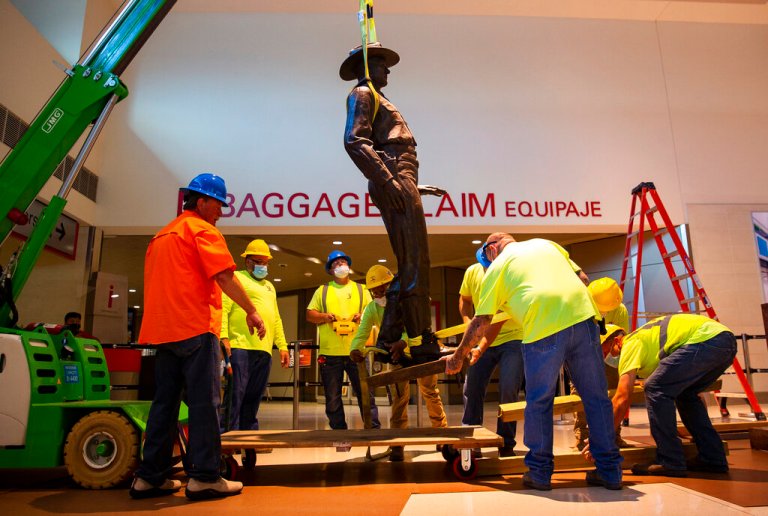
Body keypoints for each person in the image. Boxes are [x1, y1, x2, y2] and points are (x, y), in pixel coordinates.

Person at [445, 233, 623, 491]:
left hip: (544, 327)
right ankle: (610, 471)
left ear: (492, 249)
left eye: (486, 259)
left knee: (539, 401)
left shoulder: (498, 266)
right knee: (596, 398)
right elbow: (583, 279)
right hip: (584, 321)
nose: (487, 265)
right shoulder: (547, 244)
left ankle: (539, 473)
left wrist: (458, 354)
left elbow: (482, 320)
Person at [131, 173, 266, 501]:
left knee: (165, 403)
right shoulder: (203, 230)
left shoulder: (162, 235)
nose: (220, 212)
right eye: (218, 204)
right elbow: (223, 276)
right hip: (194, 328)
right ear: (201, 201)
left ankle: (150, 477)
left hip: (163, 333)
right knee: (206, 403)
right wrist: (251, 310)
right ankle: (204, 477)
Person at [341, 42, 441, 363]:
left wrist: (413, 185)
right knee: (415, 262)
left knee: (413, 260)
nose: (388, 69)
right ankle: (419, 337)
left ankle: (388, 337)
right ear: (366, 67)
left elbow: (394, 149)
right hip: (394, 178)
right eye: (382, 63)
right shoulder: (363, 95)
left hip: (401, 178)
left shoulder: (379, 98)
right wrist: (390, 180)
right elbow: (355, 140)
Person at [607, 313, 736, 477]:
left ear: (617, 341)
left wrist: (604, 436)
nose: (610, 357)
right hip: (724, 341)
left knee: (654, 388)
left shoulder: (630, 342)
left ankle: (670, 460)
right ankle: (713, 458)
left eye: (608, 351)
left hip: (704, 340)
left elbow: (622, 397)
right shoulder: (646, 338)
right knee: (686, 394)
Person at [350, 265, 447, 461]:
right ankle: (397, 443)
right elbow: (362, 333)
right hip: (397, 357)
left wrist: (403, 342)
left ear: (391, 285)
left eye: (382, 288)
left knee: (430, 393)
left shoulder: (406, 301)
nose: (379, 293)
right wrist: (355, 349)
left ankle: (442, 436)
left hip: (420, 351)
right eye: (374, 290)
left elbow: (416, 326)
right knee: (399, 399)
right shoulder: (371, 308)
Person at [220, 239, 289, 465]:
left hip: (263, 349)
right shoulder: (236, 279)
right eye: (258, 262)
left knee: (253, 399)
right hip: (240, 347)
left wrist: (283, 346)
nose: (263, 266)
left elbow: (276, 318)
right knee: (235, 397)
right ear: (248, 261)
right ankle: (226, 443)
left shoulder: (270, 286)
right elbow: (224, 308)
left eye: (265, 262)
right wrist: (223, 337)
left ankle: (249, 442)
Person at [306, 250, 380, 430]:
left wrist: (362, 316)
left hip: (357, 351)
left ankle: (373, 430)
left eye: (343, 262)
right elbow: (310, 315)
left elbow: (375, 313)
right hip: (330, 353)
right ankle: (339, 434)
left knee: (366, 395)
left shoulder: (362, 290)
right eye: (336, 264)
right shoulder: (323, 291)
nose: (341, 266)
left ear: (349, 266)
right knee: (332, 397)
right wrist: (324, 316)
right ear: (330, 270)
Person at [459, 254, 523, 458]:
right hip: (481, 336)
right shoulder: (472, 272)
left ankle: (506, 442)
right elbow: (465, 299)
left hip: (513, 338)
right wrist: (468, 323)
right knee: (473, 387)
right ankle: (471, 438)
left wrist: (479, 343)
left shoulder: (509, 276)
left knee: (508, 389)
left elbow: (497, 323)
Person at [572, 277, 630, 450]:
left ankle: (614, 434)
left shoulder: (620, 310)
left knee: (613, 391)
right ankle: (581, 434)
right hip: (582, 352)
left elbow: (620, 339)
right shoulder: (578, 306)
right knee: (580, 394)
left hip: (609, 356)